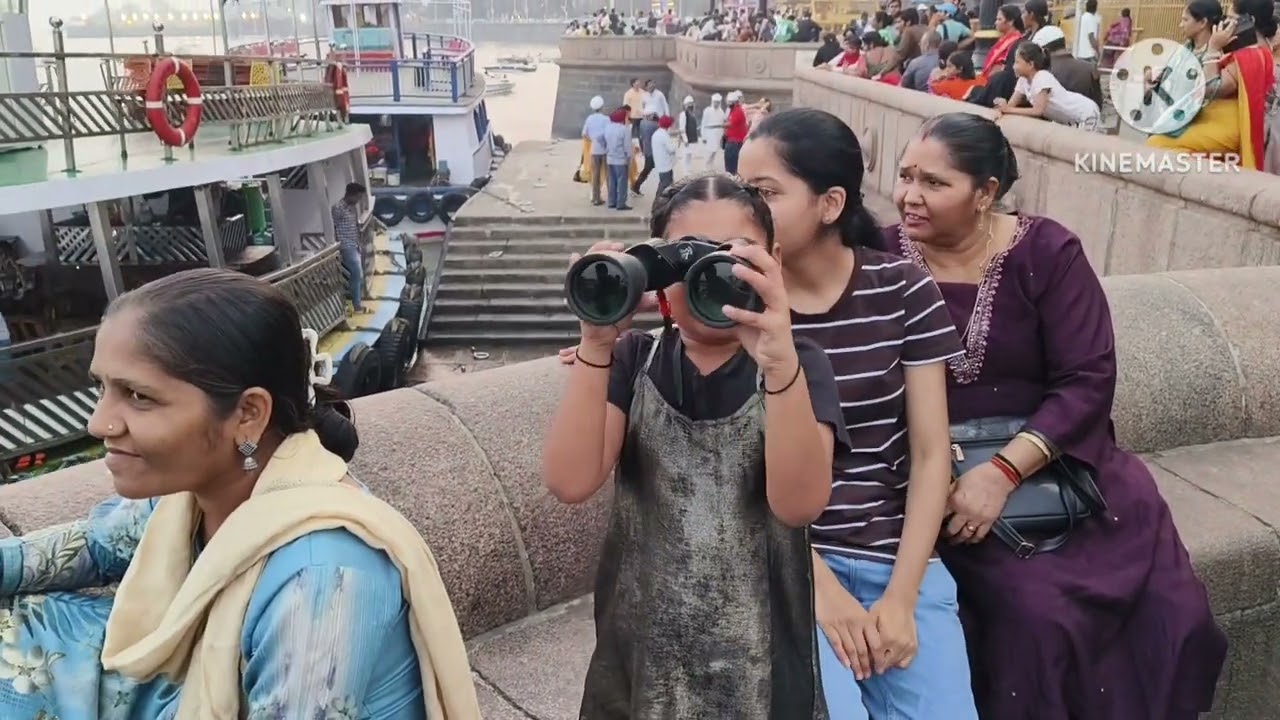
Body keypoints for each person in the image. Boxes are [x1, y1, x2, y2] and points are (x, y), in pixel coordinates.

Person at [0, 268, 481, 718]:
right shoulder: (192, 499)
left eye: (139, 396)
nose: (99, 422)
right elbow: (96, 546)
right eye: (101, 388)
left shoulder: (323, 581)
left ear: (248, 414)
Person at [874, 112, 1227, 720]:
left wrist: (1000, 475)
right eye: (905, 176)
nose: (908, 196)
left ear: (985, 193)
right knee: (1035, 618)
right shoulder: (877, 257)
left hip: (1050, 465)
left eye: (934, 183)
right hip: (928, 477)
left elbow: (1087, 379)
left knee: (1176, 612)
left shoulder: (1047, 251)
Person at [543, 173, 847, 717]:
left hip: (762, 653)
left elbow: (799, 505)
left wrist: (778, 364)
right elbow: (570, 481)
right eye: (685, 265)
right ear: (656, 272)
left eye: (733, 258)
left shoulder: (800, 368)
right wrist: (596, 340)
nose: (712, 279)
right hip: (641, 652)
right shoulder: (634, 360)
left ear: (774, 259)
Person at [736, 107, 978, 720]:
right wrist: (818, 587)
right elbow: (731, 472)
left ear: (830, 202)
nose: (747, 211)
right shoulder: (737, 307)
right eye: (743, 191)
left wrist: (902, 596)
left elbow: (929, 455)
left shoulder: (902, 289)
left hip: (893, 556)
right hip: (783, 565)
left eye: (765, 193)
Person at [1148, 0, 1277, 170]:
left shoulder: (1253, 55)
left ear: (1248, 20)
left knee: (1158, 144)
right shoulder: (1244, 47)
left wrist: (1213, 49)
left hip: (1229, 125)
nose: (1225, 22)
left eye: (1231, 18)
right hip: (1213, 117)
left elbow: (1211, 88)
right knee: (1158, 136)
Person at [995, 42, 1101, 130]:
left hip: (1085, 114)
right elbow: (1010, 106)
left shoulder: (1042, 77)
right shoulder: (1023, 80)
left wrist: (1008, 109)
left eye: (1017, 62)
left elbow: (1038, 110)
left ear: (1030, 65)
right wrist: (1002, 107)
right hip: (1069, 120)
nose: (1014, 67)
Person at [331, 182, 368, 314]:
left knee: (358, 275)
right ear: (350, 195)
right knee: (356, 273)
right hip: (346, 246)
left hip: (354, 244)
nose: (358, 201)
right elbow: (332, 227)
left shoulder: (352, 208)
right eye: (357, 197)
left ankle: (355, 301)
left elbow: (354, 226)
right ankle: (356, 305)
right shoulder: (338, 208)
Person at [581, 95, 610, 206]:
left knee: (595, 174)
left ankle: (595, 197)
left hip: (594, 150)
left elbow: (584, 134)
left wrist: (592, 139)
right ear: (602, 107)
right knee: (608, 174)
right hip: (605, 150)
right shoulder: (606, 119)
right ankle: (611, 197)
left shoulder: (589, 119)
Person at [603, 108, 633, 210]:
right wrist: (629, 157)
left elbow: (602, 140)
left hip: (609, 159)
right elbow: (627, 147)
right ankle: (621, 203)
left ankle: (612, 201)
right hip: (620, 160)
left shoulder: (608, 127)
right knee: (622, 182)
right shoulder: (624, 130)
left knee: (612, 181)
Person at [632, 101, 662, 196]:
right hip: (653, 151)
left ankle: (636, 186)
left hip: (647, 150)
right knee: (651, 169)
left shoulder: (643, 123)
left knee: (648, 169)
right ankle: (636, 186)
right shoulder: (653, 125)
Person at [651, 115, 678, 196]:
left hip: (660, 162)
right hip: (665, 164)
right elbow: (671, 149)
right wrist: (676, 143)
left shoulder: (657, 133)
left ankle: (665, 201)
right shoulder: (664, 135)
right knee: (665, 185)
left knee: (665, 183)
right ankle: (658, 202)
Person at [723, 91, 749, 174]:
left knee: (731, 168)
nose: (728, 104)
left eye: (730, 103)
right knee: (730, 166)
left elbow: (730, 123)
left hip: (735, 143)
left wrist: (721, 124)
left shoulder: (737, 111)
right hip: (732, 141)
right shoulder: (732, 111)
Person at [700, 93, 727, 170]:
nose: (716, 103)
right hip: (709, 135)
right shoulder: (707, 110)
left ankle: (711, 168)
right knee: (708, 153)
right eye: (715, 102)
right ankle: (705, 168)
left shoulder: (721, 111)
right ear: (712, 102)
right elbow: (703, 124)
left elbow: (723, 123)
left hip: (717, 136)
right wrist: (703, 136)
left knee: (714, 153)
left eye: (718, 102)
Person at [677, 95, 701, 174]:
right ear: (685, 105)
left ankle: (689, 170)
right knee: (686, 156)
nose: (690, 105)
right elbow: (682, 128)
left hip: (692, 138)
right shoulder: (683, 114)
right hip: (687, 139)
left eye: (691, 103)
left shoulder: (692, 114)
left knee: (690, 155)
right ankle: (685, 171)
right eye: (688, 104)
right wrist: (685, 139)